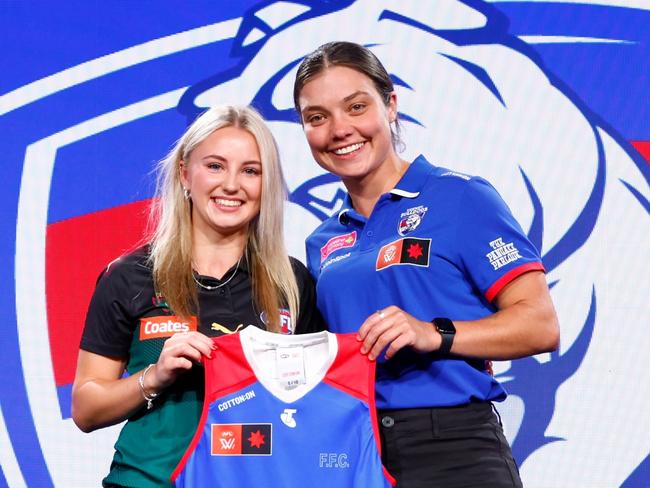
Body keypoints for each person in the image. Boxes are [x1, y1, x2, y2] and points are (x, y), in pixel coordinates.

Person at [293, 41, 560, 487]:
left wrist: (431, 333)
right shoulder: (321, 240)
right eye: (317, 117)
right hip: (356, 453)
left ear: (390, 105)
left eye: (356, 107)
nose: (339, 129)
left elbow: (540, 325)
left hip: (454, 449)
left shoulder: (461, 197)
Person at [71, 105, 324, 488]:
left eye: (251, 171)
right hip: (148, 480)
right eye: (216, 166)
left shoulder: (292, 282)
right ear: (185, 174)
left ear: (266, 185)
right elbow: (86, 409)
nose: (232, 185)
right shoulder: (128, 276)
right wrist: (156, 376)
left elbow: (315, 406)